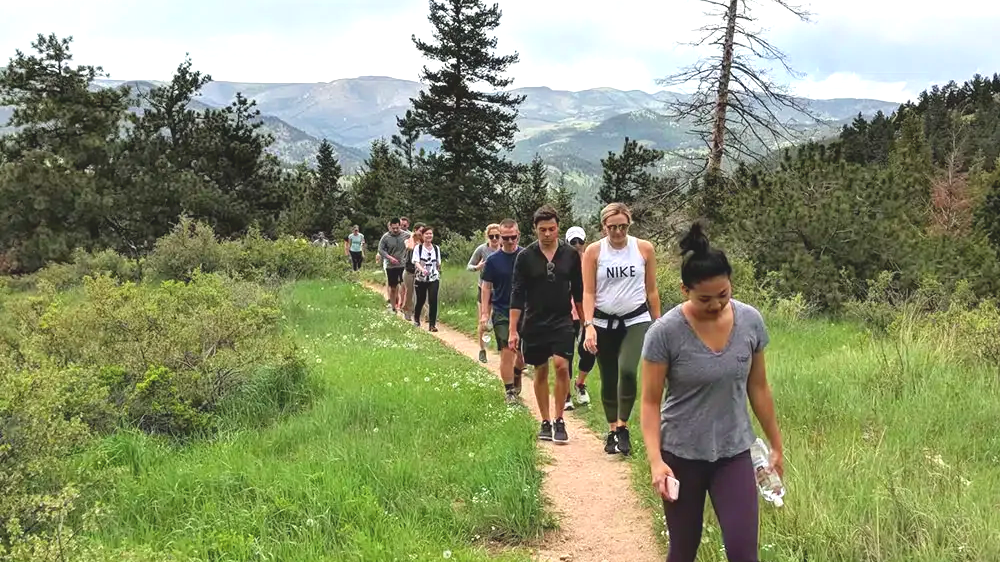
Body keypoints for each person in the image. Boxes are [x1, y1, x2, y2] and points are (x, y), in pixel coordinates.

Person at [639, 222, 783, 562]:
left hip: (734, 453)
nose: (717, 305)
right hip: (680, 456)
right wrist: (656, 462)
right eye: (705, 299)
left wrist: (776, 444)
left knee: (743, 553)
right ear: (684, 289)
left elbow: (758, 386)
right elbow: (649, 402)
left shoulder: (750, 321)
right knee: (684, 550)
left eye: (724, 294)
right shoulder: (664, 333)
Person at [582, 203, 661, 456]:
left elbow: (651, 290)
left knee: (627, 370)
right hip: (604, 322)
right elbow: (589, 291)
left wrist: (658, 323)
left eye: (623, 226)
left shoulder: (644, 248)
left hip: (636, 319)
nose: (618, 232)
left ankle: (624, 426)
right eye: (612, 227)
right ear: (604, 227)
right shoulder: (594, 252)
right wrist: (588, 325)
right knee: (608, 375)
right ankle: (612, 429)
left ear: (629, 225)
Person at [509, 205, 583, 444]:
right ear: (535, 230)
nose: (548, 234)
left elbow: (579, 291)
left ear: (558, 227)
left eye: (552, 229)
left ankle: (560, 418)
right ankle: (545, 420)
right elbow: (517, 294)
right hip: (534, 320)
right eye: (543, 230)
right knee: (540, 370)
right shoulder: (525, 256)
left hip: (562, 319)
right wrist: (513, 330)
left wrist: (586, 323)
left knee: (562, 366)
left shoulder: (570, 255)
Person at [480, 219, 527, 405]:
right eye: (505, 238)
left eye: (513, 237)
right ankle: (509, 391)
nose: (509, 241)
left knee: (523, 354)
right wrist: (484, 313)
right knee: (508, 350)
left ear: (518, 235)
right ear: (499, 237)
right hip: (501, 311)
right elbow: (485, 287)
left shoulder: (526, 256)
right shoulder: (492, 260)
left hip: (525, 310)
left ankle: (517, 372)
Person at [564, 226, 594, 411]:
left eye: (579, 241)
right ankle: (565, 394)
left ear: (584, 243)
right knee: (566, 354)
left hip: (589, 315)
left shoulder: (591, 262)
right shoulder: (561, 262)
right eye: (572, 242)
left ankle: (580, 383)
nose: (576, 245)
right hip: (566, 314)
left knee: (589, 352)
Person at [468, 224, 502, 363]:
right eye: (491, 236)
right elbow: (469, 266)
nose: (494, 239)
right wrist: (478, 267)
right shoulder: (482, 249)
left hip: (500, 290)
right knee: (483, 321)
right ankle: (482, 350)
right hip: (483, 289)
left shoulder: (505, 249)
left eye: (497, 236)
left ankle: (504, 351)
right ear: (487, 236)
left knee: (500, 322)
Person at [412, 226, 442, 332]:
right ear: (423, 236)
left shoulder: (436, 248)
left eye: (431, 234)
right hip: (421, 279)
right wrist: (422, 269)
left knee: (433, 300)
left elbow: (438, 263)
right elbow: (415, 261)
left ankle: (432, 324)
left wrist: (438, 270)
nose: (429, 236)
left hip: (434, 278)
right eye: (427, 234)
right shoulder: (418, 248)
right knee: (420, 300)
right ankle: (416, 319)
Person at [377, 218, 408, 313]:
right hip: (391, 265)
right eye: (393, 228)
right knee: (393, 287)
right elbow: (380, 250)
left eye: (397, 228)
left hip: (403, 265)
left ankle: (403, 305)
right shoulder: (385, 237)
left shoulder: (406, 235)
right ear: (390, 226)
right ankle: (393, 307)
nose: (395, 230)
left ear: (400, 226)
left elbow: (415, 242)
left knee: (404, 285)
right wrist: (389, 257)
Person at [402, 224, 424, 322]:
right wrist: (412, 236)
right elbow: (410, 247)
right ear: (415, 230)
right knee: (409, 292)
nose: (421, 233)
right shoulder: (407, 240)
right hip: (409, 271)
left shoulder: (422, 242)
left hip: (419, 271)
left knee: (421, 292)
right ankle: (407, 311)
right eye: (420, 231)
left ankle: (424, 314)